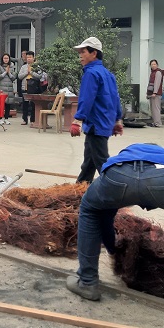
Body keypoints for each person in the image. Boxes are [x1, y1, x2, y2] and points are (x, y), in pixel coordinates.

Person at [66, 143, 164, 301]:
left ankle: (87, 282)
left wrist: (113, 248)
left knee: (91, 210)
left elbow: (105, 218)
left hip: (118, 176)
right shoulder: (160, 154)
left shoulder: (128, 152)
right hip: (160, 180)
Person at [70, 37, 123, 184]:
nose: (80, 55)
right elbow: (115, 98)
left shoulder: (91, 73)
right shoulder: (108, 74)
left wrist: (77, 120)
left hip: (96, 124)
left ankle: (115, 190)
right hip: (103, 123)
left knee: (101, 162)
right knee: (89, 162)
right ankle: (81, 189)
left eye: (83, 51)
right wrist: (117, 120)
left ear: (94, 53)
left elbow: (86, 99)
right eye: (79, 52)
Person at [18, 51, 41, 126]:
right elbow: (19, 76)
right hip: (25, 87)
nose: (28, 59)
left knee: (33, 104)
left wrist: (31, 72)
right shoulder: (23, 66)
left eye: (30, 57)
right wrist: (26, 73)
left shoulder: (37, 66)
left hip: (34, 88)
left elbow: (39, 76)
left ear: (33, 58)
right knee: (25, 104)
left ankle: (32, 120)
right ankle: (24, 119)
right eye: (27, 57)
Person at [0, 53, 16, 124]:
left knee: (8, 104)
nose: (6, 60)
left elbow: (14, 78)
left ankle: (6, 118)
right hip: (1, 87)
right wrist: (5, 72)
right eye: (4, 58)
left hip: (9, 88)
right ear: (2, 59)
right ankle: (0, 118)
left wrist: (9, 73)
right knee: (1, 104)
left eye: (7, 58)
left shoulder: (12, 66)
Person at [146, 59, 162, 127]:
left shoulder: (158, 72)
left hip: (156, 94)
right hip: (151, 93)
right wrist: (148, 93)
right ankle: (155, 122)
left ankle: (158, 123)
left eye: (154, 64)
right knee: (153, 109)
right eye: (152, 64)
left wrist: (155, 93)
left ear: (157, 65)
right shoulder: (152, 72)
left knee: (156, 109)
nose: (153, 65)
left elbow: (157, 83)